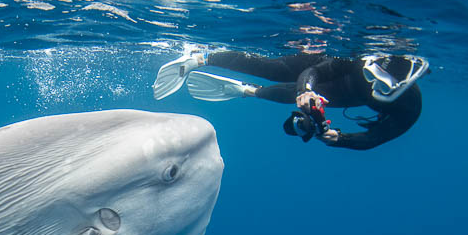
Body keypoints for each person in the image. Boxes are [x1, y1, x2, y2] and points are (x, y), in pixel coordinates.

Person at [152, 51, 429, 151]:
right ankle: (199, 57)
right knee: (272, 70)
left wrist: (339, 137)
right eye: (372, 75)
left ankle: (248, 91)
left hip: (345, 94)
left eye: (380, 86)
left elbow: (374, 139)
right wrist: (307, 89)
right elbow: (315, 72)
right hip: (320, 65)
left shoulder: (409, 110)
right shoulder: (359, 61)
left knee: (290, 96)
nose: (373, 82)